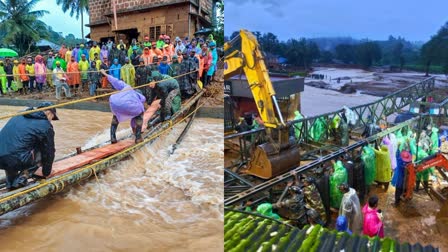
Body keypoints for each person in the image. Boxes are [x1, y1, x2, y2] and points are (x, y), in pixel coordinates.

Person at [0, 101, 58, 189]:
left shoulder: (21, 114)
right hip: (16, 159)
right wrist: (46, 172)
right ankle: (21, 179)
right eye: (52, 117)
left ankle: (10, 183)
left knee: (13, 149)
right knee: (42, 149)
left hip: (2, 158)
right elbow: (49, 152)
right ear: (49, 113)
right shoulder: (45, 125)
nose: (51, 121)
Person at [99, 69, 145, 144]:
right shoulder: (140, 98)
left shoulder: (127, 87)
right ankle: (138, 137)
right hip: (129, 105)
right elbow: (135, 117)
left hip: (114, 101)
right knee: (140, 113)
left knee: (116, 117)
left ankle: (113, 138)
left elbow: (115, 81)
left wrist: (104, 73)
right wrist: (134, 129)